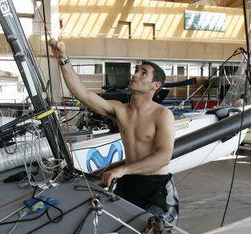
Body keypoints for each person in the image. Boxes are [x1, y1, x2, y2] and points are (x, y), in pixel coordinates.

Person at [49, 39, 179, 223]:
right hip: (129, 182)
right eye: (136, 71)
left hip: (155, 186)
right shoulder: (120, 110)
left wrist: (121, 169)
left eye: (143, 73)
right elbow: (83, 94)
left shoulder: (163, 114)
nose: (135, 75)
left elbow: (164, 157)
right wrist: (63, 58)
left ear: (155, 86)